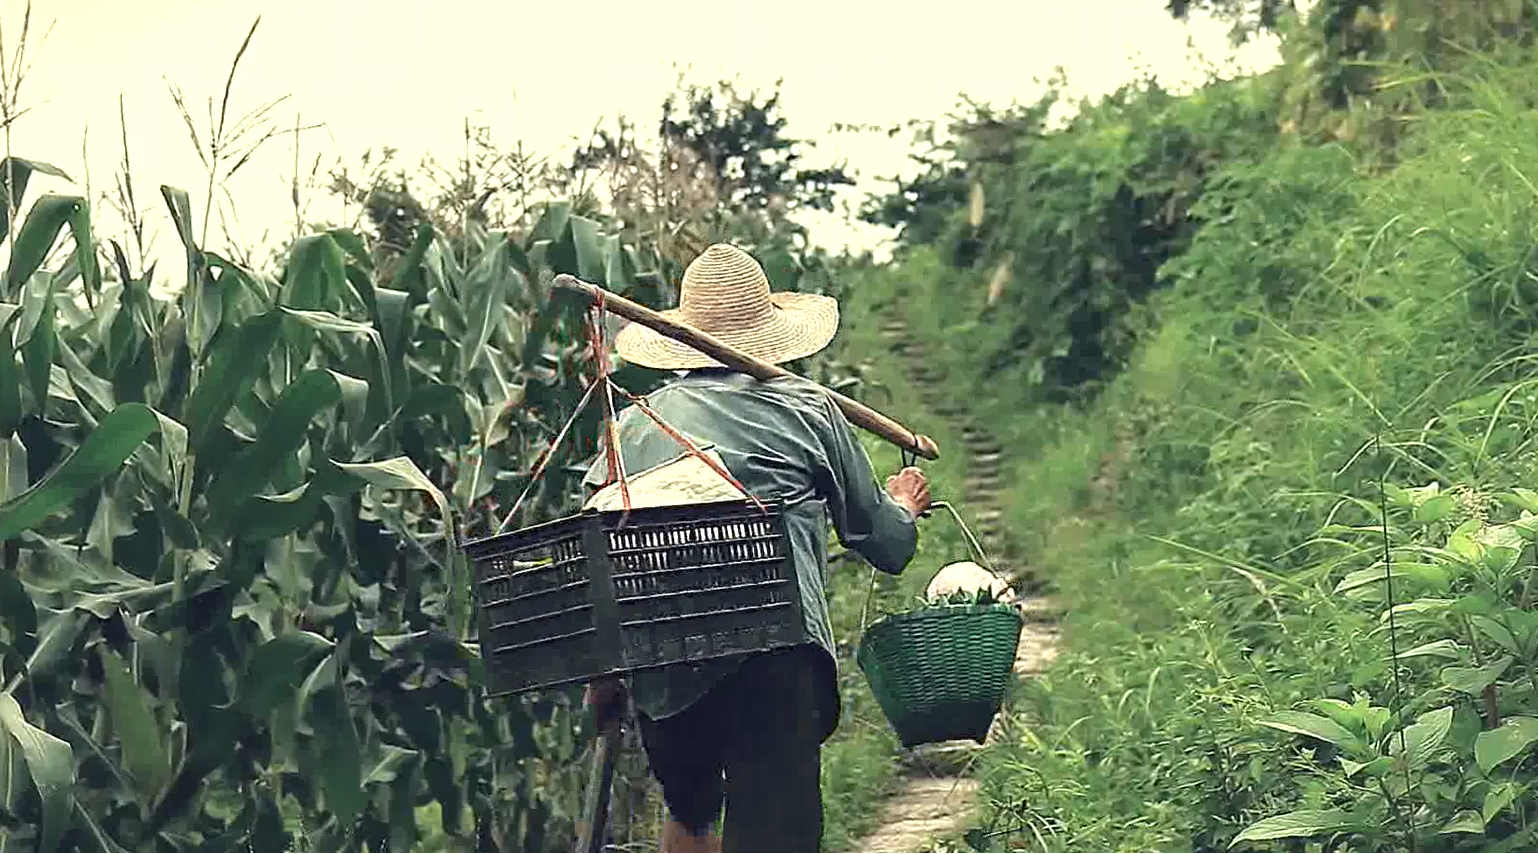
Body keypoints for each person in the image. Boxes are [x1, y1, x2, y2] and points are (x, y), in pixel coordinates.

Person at [579, 243, 931, 853]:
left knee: (689, 812)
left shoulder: (632, 425)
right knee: (775, 832)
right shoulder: (809, 411)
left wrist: (604, 678)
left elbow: (601, 557)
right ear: (767, 332)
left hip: (667, 666)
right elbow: (886, 543)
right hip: (775, 663)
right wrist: (903, 501)